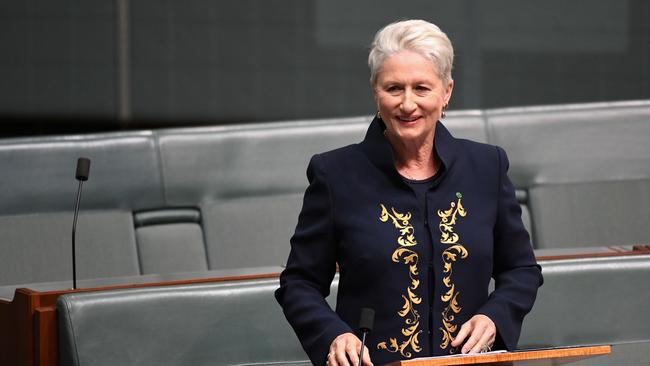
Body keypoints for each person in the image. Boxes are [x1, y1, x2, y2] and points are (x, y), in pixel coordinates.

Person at [275, 19, 543, 366]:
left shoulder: (486, 167)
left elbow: (522, 269)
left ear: (446, 92)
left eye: (421, 88)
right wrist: (334, 335)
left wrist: (494, 318)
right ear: (376, 92)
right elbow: (299, 283)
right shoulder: (335, 174)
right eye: (393, 88)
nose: (407, 104)